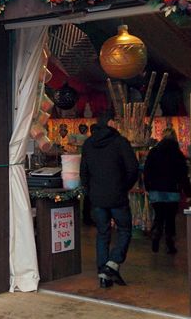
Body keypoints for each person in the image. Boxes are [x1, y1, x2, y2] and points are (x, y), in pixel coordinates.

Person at [80, 111, 139, 288]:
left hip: (97, 198)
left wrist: (91, 192)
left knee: (103, 234)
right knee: (124, 230)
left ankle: (103, 276)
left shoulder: (88, 144)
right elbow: (133, 169)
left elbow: (84, 172)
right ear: (111, 123)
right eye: (116, 121)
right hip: (118, 197)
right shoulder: (120, 142)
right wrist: (123, 187)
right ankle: (112, 263)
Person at [144, 127, 190, 255]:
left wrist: (148, 187)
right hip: (172, 190)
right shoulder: (178, 154)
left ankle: (156, 234)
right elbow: (183, 175)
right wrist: (188, 193)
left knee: (158, 216)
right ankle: (170, 244)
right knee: (170, 218)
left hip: (155, 189)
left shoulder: (154, 152)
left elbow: (147, 171)